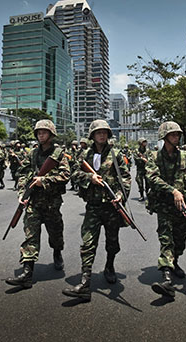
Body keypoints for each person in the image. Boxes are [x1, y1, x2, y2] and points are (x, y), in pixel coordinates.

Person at [62, 120, 131, 301]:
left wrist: (120, 195)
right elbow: (73, 173)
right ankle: (85, 281)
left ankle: (109, 266)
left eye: (104, 132)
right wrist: (89, 177)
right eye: (98, 132)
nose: (101, 135)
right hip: (93, 206)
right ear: (92, 135)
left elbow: (125, 177)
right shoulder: (85, 154)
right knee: (87, 243)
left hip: (111, 207)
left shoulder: (116, 154)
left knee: (112, 243)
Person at [6, 120, 70, 289]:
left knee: (55, 234)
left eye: (44, 132)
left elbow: (65, 176)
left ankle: (57, 253)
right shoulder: (32, 153)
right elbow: (23, 174)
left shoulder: (58, 153)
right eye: (39, 132)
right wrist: (22, 193)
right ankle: (27, 272)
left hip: (51, 203)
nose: (41, 135)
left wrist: (45, 180)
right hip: (33, 202)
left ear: (51, 134)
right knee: (30, 235)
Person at [146, 122, 186, 298]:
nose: (176, 137)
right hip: (164, 206)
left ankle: (174, 262)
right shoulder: (154, 156)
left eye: (178, 134)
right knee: (166, 239)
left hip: (182, 207)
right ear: (165, 137)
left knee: (181, 238)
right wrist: (173, 191)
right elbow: (152, 178)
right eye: (173, 135)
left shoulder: (185, 155)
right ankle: (166, 277)